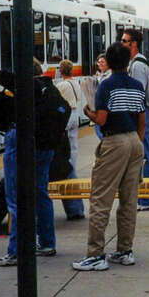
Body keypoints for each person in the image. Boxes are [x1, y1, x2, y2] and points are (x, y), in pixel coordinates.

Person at [72, 42, 146, 271]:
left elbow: (102, 119)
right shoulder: (137, 85)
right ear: (127, 62)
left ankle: (95, 254)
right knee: (129, 200)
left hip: (114, 142)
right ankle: (125, 250)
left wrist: (88, 112)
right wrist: (138, 141)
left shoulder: (106, 85)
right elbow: (142, 119)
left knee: (100, 199)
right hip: (135, 140)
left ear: (110, 63)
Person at [0, 58, 60, 266]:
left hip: (21, 142)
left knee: (16, 197)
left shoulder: (24, 87)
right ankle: (47, 242)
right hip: (45, 147)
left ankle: (16, 251)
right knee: (41, 193)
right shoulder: (49, 88)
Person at [122, 29, 149, 211]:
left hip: (139, 111)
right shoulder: (142, 61)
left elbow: (137, 93)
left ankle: (145, 198)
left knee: (143, 153)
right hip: (144, 108)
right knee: (148, 151)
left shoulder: (136, 65)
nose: (121, 43)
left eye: (124, 40)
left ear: (133, 43)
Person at [55, 60, 86, 220]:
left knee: (66, 140)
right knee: (73, 143)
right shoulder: (76, 83)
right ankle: (72, 161)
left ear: (62, 71)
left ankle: (69, 162)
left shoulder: (62, 85)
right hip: (76, 113)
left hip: (67, 114)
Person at [93, 54, 111, 140]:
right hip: (101, 107)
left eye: (103, 62)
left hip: (105, 108)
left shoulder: (108, 75)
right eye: (99, 62)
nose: (100, 64)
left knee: (99, 130)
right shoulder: (102, 75)